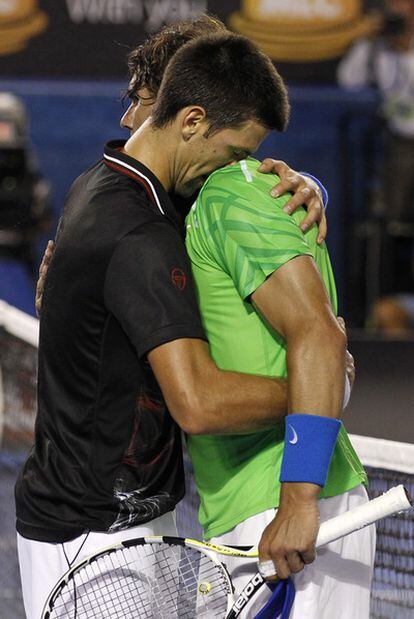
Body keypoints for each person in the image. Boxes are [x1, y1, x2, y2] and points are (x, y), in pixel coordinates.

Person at [15, 30, 311, 619]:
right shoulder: (139, 233)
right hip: (93, 537)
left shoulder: (109, 183)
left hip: (126, 518)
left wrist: (306, 186)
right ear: (192, 118)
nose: (238, 172)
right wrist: (320, 393)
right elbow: (198, 403)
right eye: (234, 155)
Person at [184, 159, 374, 617]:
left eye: (138, 104)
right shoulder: (206, 201)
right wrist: (316, 185)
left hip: (286, 508)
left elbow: (321, 338)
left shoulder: (232, 193)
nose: (128, 121)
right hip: (237, 511)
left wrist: (297, 501)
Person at [338, 0, 414, 294]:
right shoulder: (379, 47)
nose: (396, 10)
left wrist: (406, 50)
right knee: (388, 222)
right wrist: (366, 40)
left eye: (403, 3)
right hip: (393, 146)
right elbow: (349, 80)